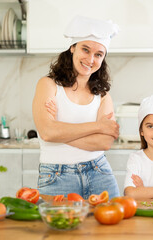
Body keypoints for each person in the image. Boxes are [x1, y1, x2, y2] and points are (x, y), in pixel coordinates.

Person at [32, 15, 121, 199]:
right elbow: (47, 133)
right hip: (56, 176)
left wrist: (60, 130)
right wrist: (98, 127)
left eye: (98, 54)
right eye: (85, 50)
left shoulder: (103, 95)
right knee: (60, 227)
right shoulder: (48, 85)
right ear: (72, 48)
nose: (90, 59)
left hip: (99, 172)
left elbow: (104, 143)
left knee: (109, 228)